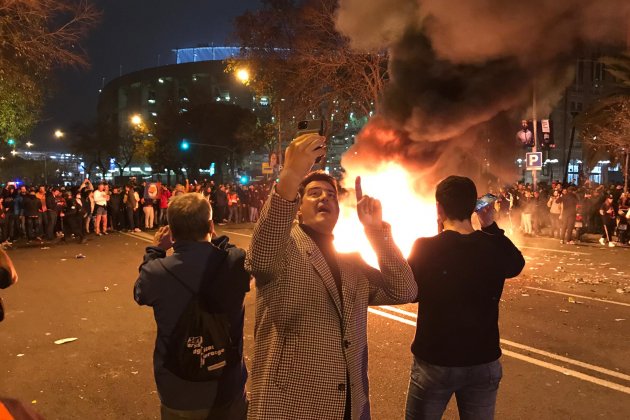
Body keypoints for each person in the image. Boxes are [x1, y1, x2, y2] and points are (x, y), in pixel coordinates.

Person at [245, 134, 416, 420]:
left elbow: (405, 290)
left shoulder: (352, 264)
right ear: (297, 208)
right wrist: (290, 176)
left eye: (331, 194)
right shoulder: (283, 250)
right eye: (314, 193)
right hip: (291, 407)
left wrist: (376, 232)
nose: (325, 197)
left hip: (348, 406)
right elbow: (259, 258)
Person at [405, 176, 525, 420]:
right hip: (483, 361)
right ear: (474, 208)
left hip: (435, 361)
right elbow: (516, 265)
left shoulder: (424, 247)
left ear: (439, 207)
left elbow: (411, 293)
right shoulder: (492, 246)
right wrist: (489, 226)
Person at [134, 193, 250, 420]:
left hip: (178, 389)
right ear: (210, 226)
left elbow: (140, 294)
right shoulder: (235, 262)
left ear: (171, 231)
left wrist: (155, 250)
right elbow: (229, 250)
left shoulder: (155, 272)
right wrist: (214, 239)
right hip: (227, 386)